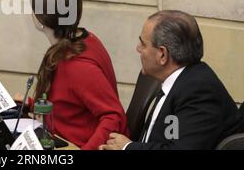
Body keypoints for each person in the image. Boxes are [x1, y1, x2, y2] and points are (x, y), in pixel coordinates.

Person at [100, 10, 242, 150]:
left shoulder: (199, 91)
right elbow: (168, 137)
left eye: (143, 44)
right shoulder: (178, 80)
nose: (138, 49)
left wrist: (128, 147)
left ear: (162, 54)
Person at [16, 0, 129, 150]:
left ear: (39, 18)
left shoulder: (78, 66)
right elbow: (70, 102)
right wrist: (31, 104)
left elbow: (113, 116)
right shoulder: (85, 39)